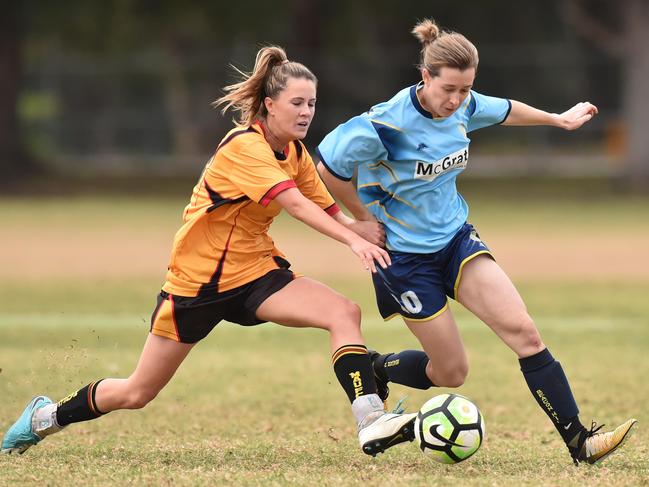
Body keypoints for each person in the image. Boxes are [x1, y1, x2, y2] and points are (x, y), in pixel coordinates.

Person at [1, 46, 417, 458]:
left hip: (256, 272)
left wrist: (354, 226)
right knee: (137, 391)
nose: (306, 111)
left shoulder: (293, 151)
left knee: (343, 312)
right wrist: (353, 240)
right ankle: (45, 417)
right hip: (197, 282)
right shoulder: (244, 147)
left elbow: (320, 201)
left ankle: (371, 420)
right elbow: (294, 204)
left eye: (311, 102)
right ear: (270, 105)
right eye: (296, 103)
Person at [316, 19, 636, 466]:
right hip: (405, 260)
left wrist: (557, 119)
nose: (458, 100)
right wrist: (360, 219)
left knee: (524, 332)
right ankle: (376, 367)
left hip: (455, 241)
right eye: (449, 89)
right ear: (424, 77)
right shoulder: (384, 125)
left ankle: (580, 441)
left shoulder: (463, 106)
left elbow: (504, 109)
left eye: (466, 90)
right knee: (452, 372)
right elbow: (328, 169)